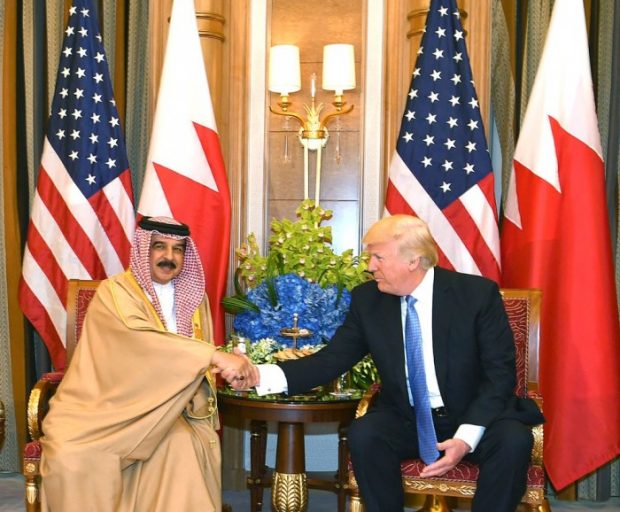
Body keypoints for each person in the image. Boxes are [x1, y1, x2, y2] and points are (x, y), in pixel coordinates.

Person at [231, 214, 543, 512]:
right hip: (407, 417)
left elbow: (499, 375)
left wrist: (465, 438)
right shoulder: (369, 300)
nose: (370, 267)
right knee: (366, 434)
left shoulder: (475, 295)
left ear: (413, 260)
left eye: (378, 258)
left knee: (514, 440)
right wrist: (258, 375)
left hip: (474, 412)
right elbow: (330, 360)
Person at [40, 216, 255, 512]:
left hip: (169, 410)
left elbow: (193, 359)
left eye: (178, 249)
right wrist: (212, 355)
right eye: (160, 247)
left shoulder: (195, 299)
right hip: (103, 408)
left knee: (182, 448)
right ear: (144, 250)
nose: (169, 257)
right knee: (71, 454)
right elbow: (141, 342)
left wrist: (231, 362)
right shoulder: (115, 293)